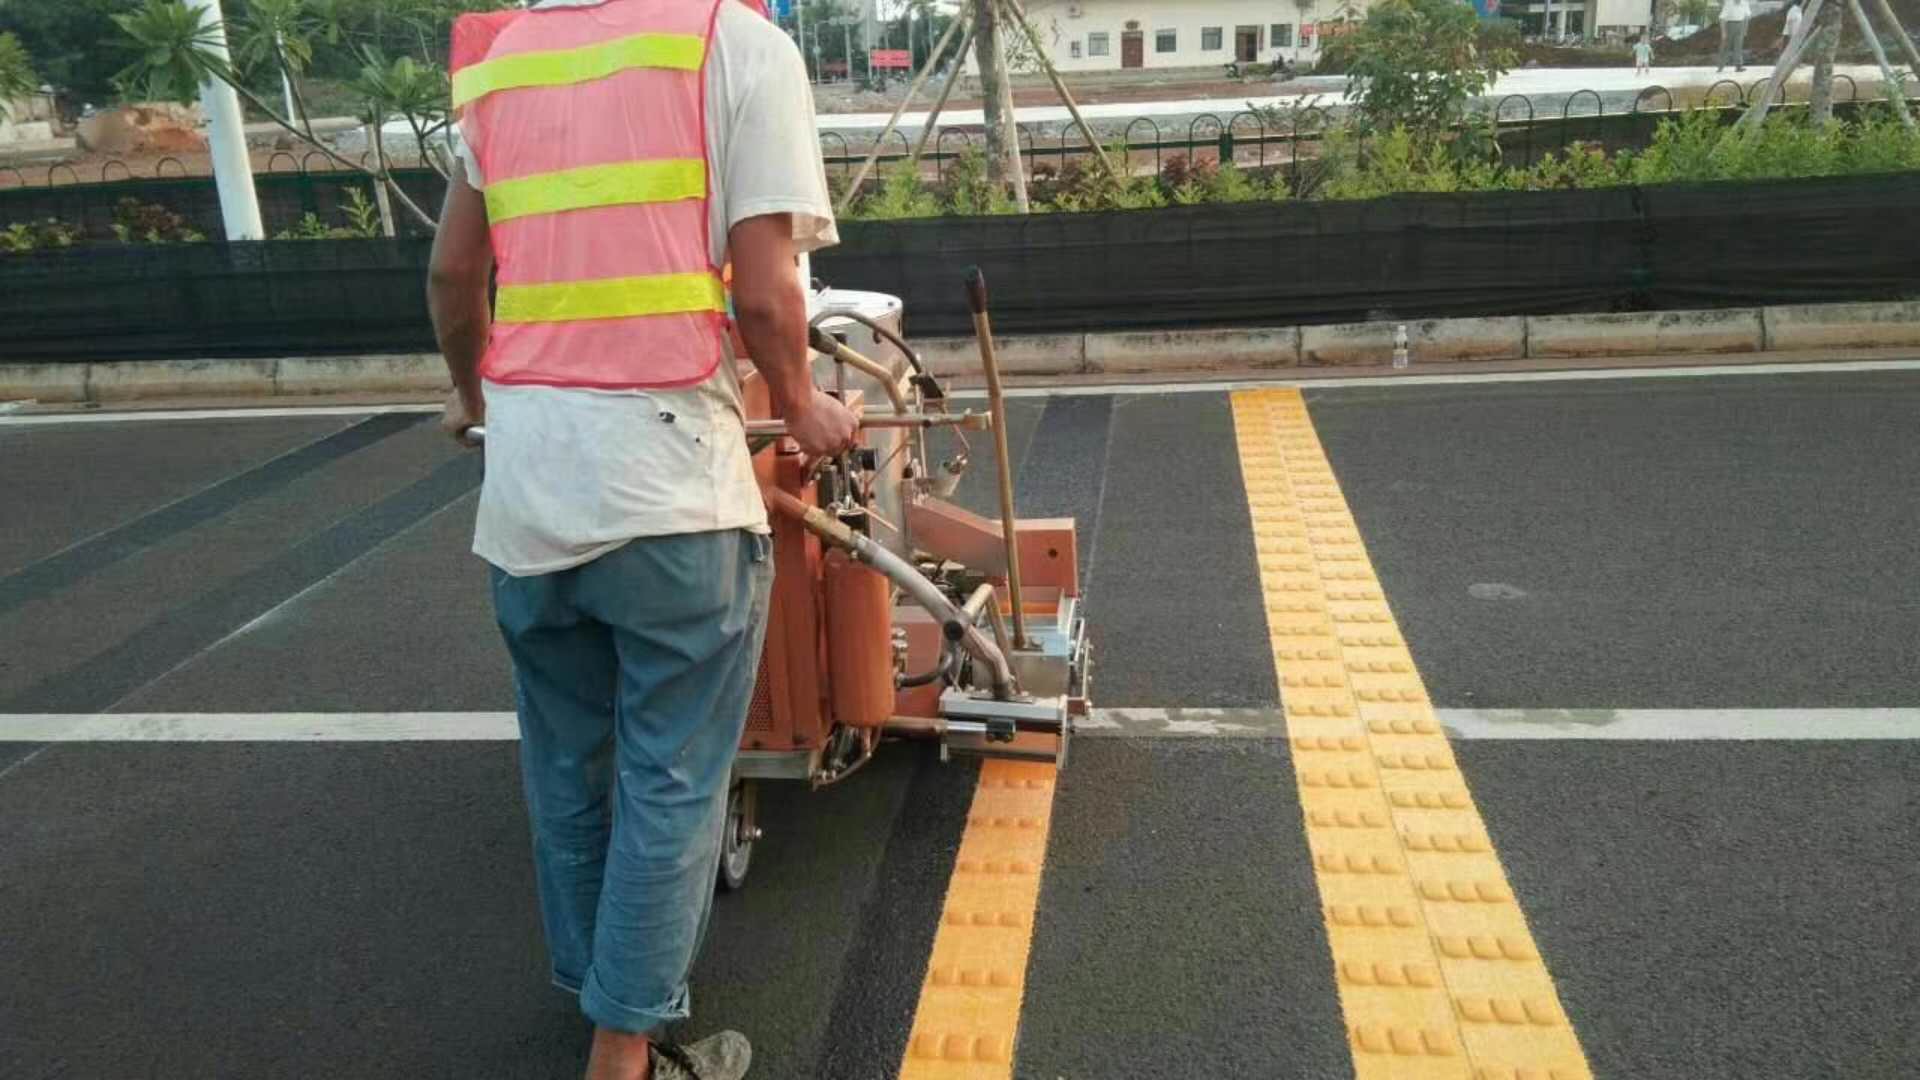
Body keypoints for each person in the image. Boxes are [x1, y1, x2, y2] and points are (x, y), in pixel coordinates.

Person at [425, 0, 858, 1077]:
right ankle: (627, 1053)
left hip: (528, 500)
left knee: (568, 766)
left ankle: (597, 991)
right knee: (671, 780)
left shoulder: (506, 56)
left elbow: (450, 276)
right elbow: (766, 296)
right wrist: (804, 404)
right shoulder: (736, 44)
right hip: (670, 493)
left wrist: (470, 395)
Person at [1718, 0, 1754, 72]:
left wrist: (1745, 29)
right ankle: (1721, 66)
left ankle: (1738, 66)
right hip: (1730, 25)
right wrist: (1723, 32)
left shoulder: (1744, 2)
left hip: (1741, 24)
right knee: (1726, 46)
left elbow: (1747, 16)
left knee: (1738, 46)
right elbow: (1722, 18)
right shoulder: (1728, 3)